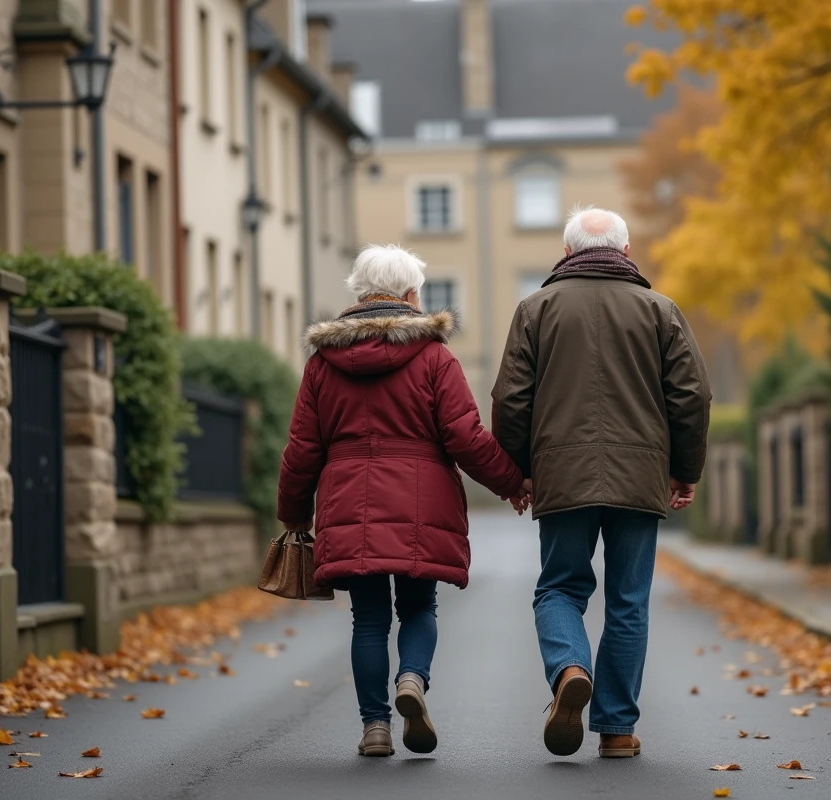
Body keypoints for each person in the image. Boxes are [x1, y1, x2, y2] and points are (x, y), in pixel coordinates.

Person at [277, 244, 531, 758]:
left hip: (349, 501)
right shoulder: (435, 357)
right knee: (418, 606)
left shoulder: (323, 365)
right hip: (423, 500)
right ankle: (411, 680)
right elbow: (465, 436)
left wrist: (294, 514)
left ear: (357, 291)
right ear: (412, 294)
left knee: (368, 619)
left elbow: (303, 447)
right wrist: (513, 482)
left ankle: (375, 727)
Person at [492, 206, 712, 759]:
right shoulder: (660, 311)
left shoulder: (535, 310)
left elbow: (510, 399)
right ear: (627, 252)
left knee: (560, 586)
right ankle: (617, 730)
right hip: (640, 478)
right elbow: (692, 396)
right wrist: (685, 470)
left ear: (566, 255)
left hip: (561, 475)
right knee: (629, 600)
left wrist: (518, 470)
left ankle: (570, 669)